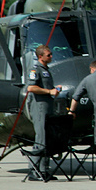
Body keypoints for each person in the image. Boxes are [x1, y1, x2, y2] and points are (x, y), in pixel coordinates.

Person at [24, 44, 59, 181]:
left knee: (47, 137)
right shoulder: (35, 70)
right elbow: (31, 87)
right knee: (41, 138)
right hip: (39, 107)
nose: (51, 57)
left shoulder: (46, 69)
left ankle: (44, 169)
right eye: (48, 55)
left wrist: (55, 89)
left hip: (48, 106)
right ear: (40, 56)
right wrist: (49, 91)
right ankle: (34, 169)